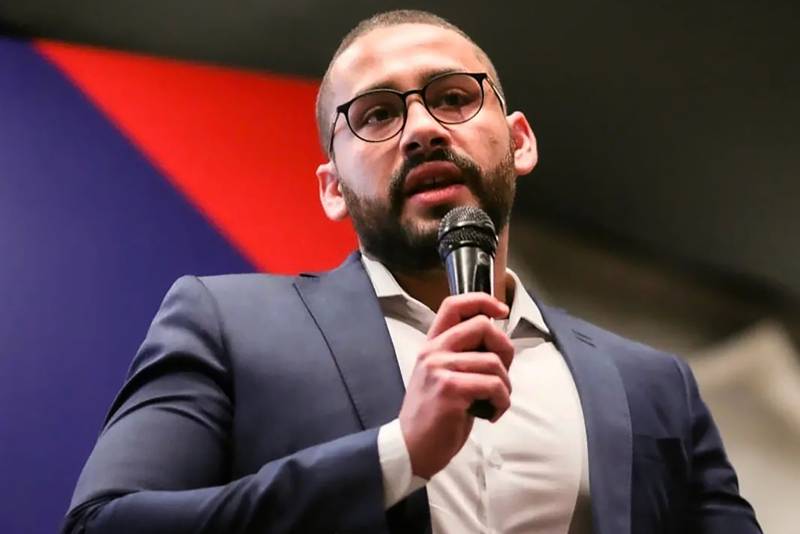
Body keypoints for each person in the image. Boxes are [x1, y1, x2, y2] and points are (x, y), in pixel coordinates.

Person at [63, 9, 761, 534]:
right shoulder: (226, 325)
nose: (423, 128)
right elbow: (105, 524)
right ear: (332, 188)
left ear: (519, 142)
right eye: (376, 114)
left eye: (453, 98)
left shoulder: (653, 384)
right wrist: (398, 454)